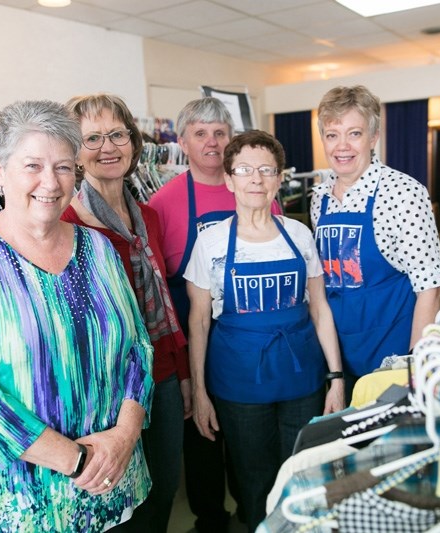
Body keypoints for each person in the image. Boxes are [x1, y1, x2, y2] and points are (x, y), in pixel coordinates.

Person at [0, 100, 154, 532]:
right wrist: (79, 461)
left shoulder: (98, 248)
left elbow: (138, 349)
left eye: (64, 167)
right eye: (33, 165)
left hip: (114, 486)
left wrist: (123, 438)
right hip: (19, 503)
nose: (50, 182)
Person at [185, 130, 345, 532]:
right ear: (229, 179)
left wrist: (337, 378)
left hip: (301, 375)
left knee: (301, 470)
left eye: (266, 170)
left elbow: (320, 308)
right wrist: (201, 393)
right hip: (238, 381)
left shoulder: (300, 235)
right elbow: (199, 321)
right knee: (253, 478)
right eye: (244, 169)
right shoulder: (210, 242)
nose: (255, 179)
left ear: (278, 179)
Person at [61, 93, 189, 533]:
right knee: (119, 502)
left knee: (165, 485)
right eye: (91, 138)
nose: (107, 147)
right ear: (73, 152)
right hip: (109, 388)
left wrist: (183, 375)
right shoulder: (68, 224)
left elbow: (164, 302)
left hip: (163, 373)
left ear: (133, 143)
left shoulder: (148, 217)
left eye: (117, 134)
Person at [150, 97, 276, 532]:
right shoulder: (163, 202)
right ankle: (210, 517)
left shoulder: (257, 186)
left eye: (220, 133)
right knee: (201, 436)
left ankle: (252, 509)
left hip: (251, 337)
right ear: (181, 141)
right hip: (196, 336)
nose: (211, 142)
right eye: (200, 133)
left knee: (249, 436)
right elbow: (161, 285)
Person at [310, 85, 440, 400]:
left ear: (373, 138)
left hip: (392, 356)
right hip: (338, 355)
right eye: (332, 135)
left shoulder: (402, 193)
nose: (342, 146)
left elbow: (430, 289)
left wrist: (412, 369)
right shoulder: (320, 198)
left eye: (354, 134)